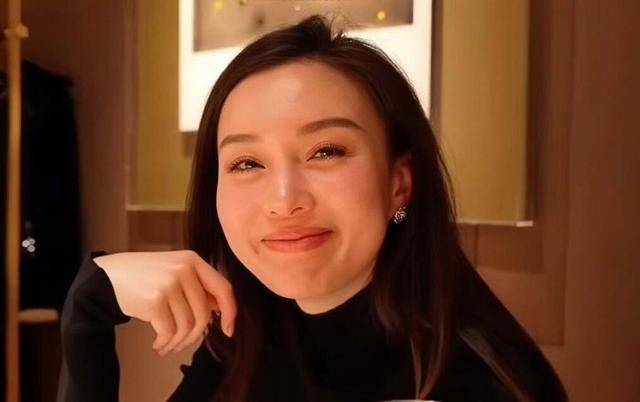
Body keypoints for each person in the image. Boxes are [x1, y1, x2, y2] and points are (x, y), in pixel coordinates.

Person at [57, 14, 568, 402]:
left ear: (399, 183)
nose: (284, 201)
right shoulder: (250, 335)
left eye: (326, 152)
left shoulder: (471, 382)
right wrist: (89, 309)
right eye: (247, 162)